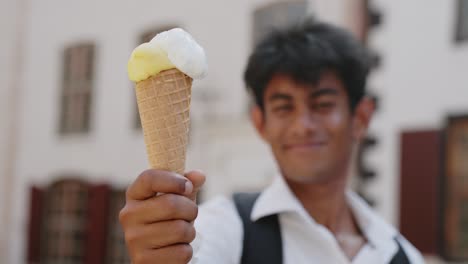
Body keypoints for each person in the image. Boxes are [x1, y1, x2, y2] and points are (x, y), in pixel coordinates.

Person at [119, 19, 425, 264]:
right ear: (260, 122)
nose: (302, 126)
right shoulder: (224, 227)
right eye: (284, 107)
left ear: (360, 118)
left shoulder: (402, 256)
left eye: (322, 104)